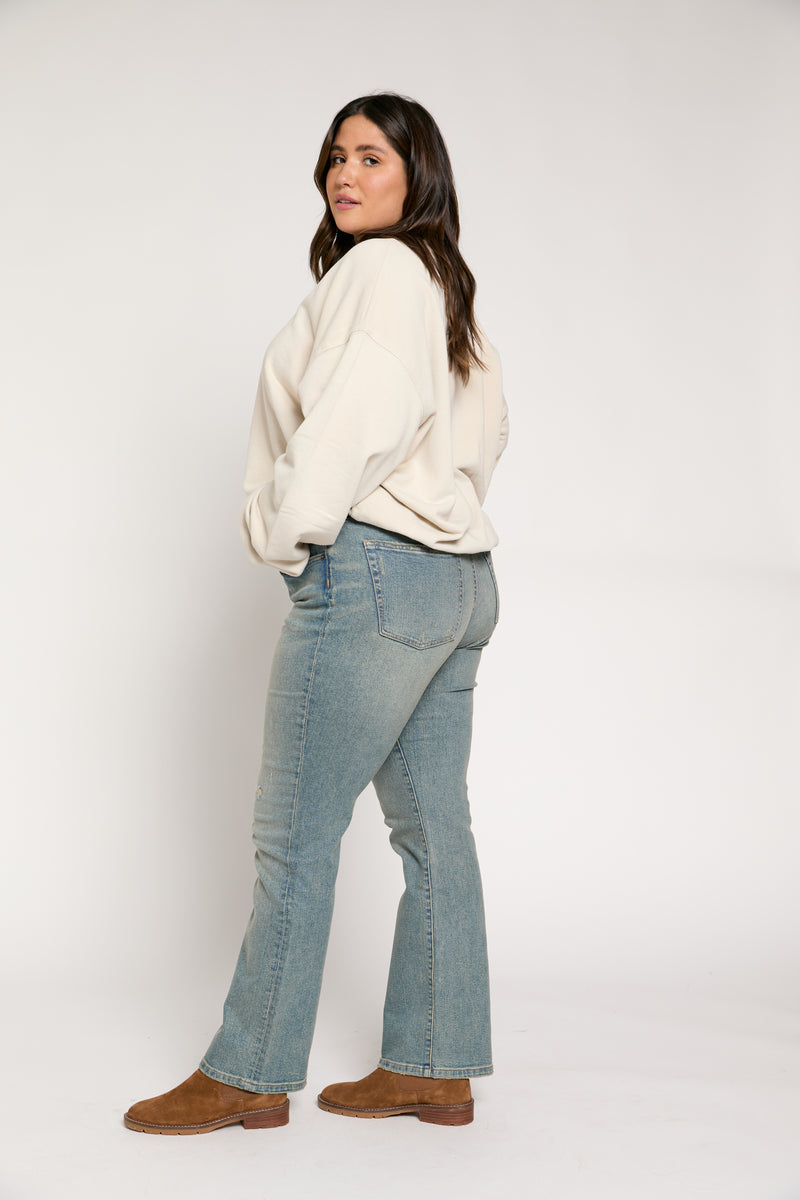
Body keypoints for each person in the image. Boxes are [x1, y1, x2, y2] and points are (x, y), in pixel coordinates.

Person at [124, 92, 508, 1135]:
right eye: (335, 157)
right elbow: (482, 437)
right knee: (436, 832)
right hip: (456, 581)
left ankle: (249, 1069)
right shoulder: (442, 286)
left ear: (414, 174)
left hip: (376, 576)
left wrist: (285, 532)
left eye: (371, 158)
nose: (345, 174)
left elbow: (347, 425)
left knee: (293, 835)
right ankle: (433, 1063)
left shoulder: (380, 271)